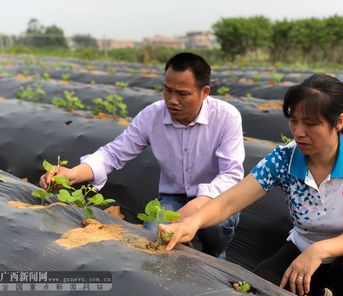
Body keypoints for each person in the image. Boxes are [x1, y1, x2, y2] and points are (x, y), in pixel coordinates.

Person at [161, 73, 343, 296]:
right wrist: (192, 222)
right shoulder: (284, 159)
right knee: (261, 292)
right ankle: (317, 294)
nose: (299, 132)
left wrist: (318, 250)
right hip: (305, 245)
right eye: (294, 121)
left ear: (339, 122)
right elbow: (230, 201)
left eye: (311, 124)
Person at [40, 52, 244, 258]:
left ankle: (214, 257)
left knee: (218, 225)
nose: (172, 100)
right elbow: (113, 154)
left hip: (215, 197)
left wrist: (194, 210)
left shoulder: (226, 117)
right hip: (173, 196)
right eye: (167, 90)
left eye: (182, 94)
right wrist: (72, 174)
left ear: (204, 92)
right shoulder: (152, 116)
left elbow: (231, 176)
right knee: (153, 239)